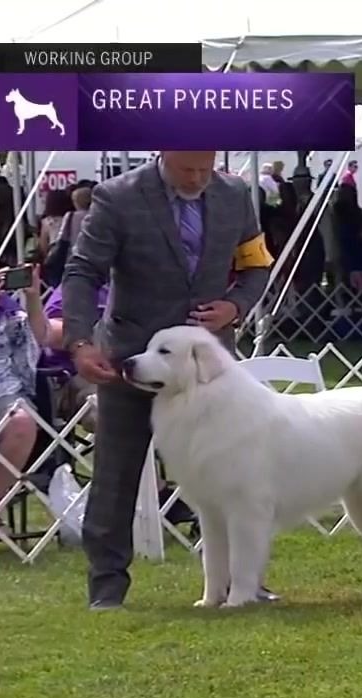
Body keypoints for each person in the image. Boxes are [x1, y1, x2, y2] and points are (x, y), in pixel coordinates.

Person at [62, 151, 273, 609]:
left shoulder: (235, 194)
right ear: (162, 155)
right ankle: (107, 588)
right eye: (187, 170)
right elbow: (83, 271)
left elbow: (257, 265)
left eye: (206, 167)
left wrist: (235, 306)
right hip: (132, 360)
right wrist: (80, 341)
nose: (198, 178)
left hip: (208, 369)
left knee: (236, 477)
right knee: (116, 473)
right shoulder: (117, 197)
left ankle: (244, 583)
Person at [0, 265, 48, 515]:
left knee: (22, 423)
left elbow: (37, 343)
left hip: (6, 391)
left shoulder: (7, 308)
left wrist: (33, 298)